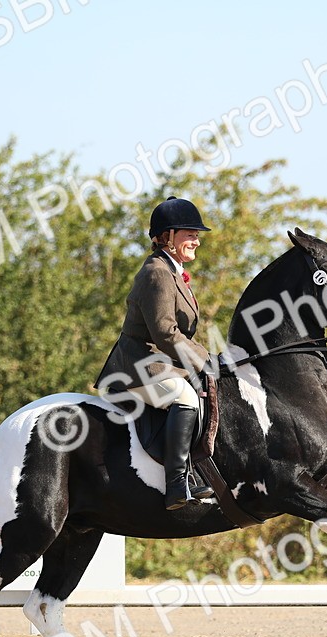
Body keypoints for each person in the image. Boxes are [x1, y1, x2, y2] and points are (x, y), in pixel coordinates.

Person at [94, 196, 216, 510]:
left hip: (162, 362)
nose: (197, 241)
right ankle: (177, 484)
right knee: (186, 398)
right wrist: (203, 361)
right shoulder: (157, 273)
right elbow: (164, 333)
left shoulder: (173, 272)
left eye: (196, 235)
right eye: (190, 234)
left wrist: (210, 360)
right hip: (140, 365)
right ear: (167, 237)